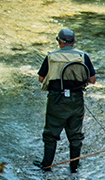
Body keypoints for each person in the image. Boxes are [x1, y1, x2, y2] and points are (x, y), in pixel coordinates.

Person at [35, 28, 96, 172]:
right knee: (75, 135)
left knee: (51, 134)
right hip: (76, 100)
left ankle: (46, 165)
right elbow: (92, 80)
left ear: (59, 41)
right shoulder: (83, 56)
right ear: (74, 42)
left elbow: (41, 79)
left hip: (56, 100)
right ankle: (74, 167)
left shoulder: (51, 57)